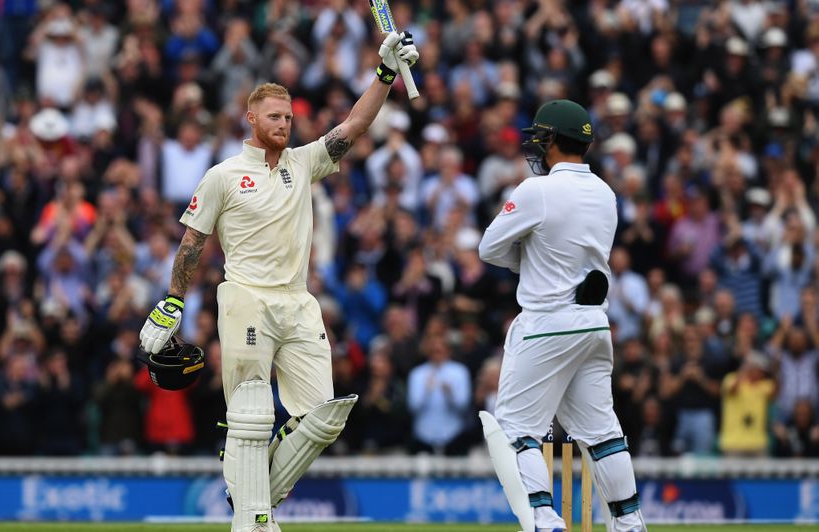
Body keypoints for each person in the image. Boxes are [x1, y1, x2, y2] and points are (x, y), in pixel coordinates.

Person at [139, 32, 418, 532]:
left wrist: (386, 72)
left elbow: (353, 125)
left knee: (325, 416)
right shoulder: (223, 175)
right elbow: (191, 245)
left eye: (288, 117)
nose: (284, 125)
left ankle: (251, 497)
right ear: (251, 118)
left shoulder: (302, 162)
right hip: (246, 297)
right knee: (250, 414)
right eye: (274, 116)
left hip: (297, 301)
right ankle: (254, 521)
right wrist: (172, 303)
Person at [476, 100, 646, 532]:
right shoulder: (607, 193)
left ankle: (543, 517)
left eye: (540, 135)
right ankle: (630, 522)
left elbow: (489, 248)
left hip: (546, 322)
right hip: (593, 325)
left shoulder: (538, 190)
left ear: (551, 139)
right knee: (603, 432)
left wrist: (526, 260)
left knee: (515, 428)